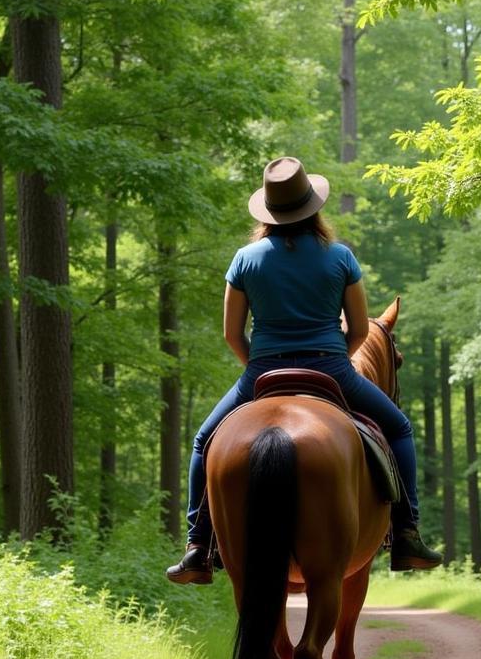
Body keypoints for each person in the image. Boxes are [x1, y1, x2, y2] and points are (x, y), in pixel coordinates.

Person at [166, 156, 442, 584]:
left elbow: (231, 334)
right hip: (332, 368)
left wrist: (258, 368)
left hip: (261, 371)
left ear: (269, 211)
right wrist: (336, 357)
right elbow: (360, 329)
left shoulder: (244, 259)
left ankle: (197, 546)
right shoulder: (340, 257)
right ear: (313, 206)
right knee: (399, 428)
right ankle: (406, 533)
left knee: (205, 441)